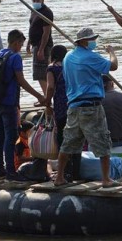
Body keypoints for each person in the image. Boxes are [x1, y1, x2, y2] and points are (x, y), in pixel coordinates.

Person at [54, 27, 122, 188]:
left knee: (68, 143)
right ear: (83, 41)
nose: (94, 42)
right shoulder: (90, 56)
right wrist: (111, 52)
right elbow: (113, 66)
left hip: (73, 106)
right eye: (92, 39)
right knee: (102, 141)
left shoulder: (68, 57)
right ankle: (106, 179)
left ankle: (59, 177)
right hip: (91, 106)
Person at [0, 30, 45, 181]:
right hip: (9, 102)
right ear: (16, 43)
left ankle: (0, 171)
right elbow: (21, 80)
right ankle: (11, 172)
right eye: (21, 44)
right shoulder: (15, 57)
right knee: (11, 136)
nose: (21, 47)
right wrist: (39, 96)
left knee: (0, 135)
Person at [44, 44, 81, 180]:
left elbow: (50, 87)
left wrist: (47, 102)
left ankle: (65, 172)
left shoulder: (52, 68)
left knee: (62, 139)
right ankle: (76, 173)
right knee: (76, 138)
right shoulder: (71, 66)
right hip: (74, 103)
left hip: (61, 107)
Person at [27, 0, 54, 94]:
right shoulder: (34, 10)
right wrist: (29, 43)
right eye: (34, 0)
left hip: (43, 46)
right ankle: (46, 95)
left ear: (42, 0)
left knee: (42, 73)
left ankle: (47, 96)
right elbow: (32, 27)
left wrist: (41, 49)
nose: (36, 2)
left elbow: (46, 33)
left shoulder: (46, 12)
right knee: (38, 73)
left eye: (38, 0)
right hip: (35, 44)